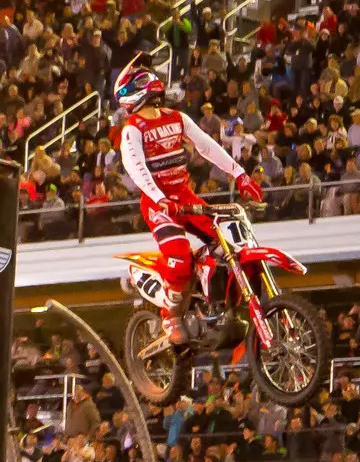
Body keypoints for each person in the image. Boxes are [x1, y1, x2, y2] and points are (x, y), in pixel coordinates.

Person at [112, 57, 263, 342]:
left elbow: (208, 146)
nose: (151, 82)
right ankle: (171, 314)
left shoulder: (177, 117)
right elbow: (136, 168)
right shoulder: (131, 128)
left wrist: (241, 175)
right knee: (180, 257)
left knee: (230, 244)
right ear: (130, 92)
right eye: (142, 80)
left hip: (185, 196)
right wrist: (159, 198)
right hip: (159, 205)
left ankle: (213, 302)